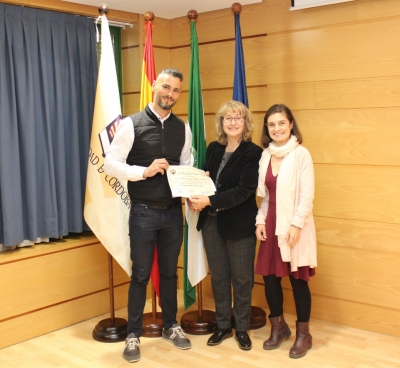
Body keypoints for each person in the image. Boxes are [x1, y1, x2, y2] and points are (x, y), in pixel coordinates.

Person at [104, 68, 192, 363]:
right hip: (142, 213)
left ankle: (171, 325)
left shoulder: (184, 128)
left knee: (169, 274)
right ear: (155, 85)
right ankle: (132, 336)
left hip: (172, 214)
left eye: (176, 90)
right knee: (140, 275)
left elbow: (186, 166)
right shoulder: (131, 125)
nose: (170, 94)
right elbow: (111, 165)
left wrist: (194, 182)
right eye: (166, 87)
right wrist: (145, 171)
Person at [189, 100, 262, 351]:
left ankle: (241, 328)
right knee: (219, 278)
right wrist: (196, 194)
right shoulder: (213, 149)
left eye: (237, 118)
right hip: (211, 223)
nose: (232, 122)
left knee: (242, 279)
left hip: (240, 225)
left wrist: (208, 199)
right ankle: (222, 326)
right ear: (221, 122)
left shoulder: (254, 153)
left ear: (245, 122)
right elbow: (208, 181)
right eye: (227, 118)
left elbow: (244, 191)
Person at [255, 103, 317, 359]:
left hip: (296, 227)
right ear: (267, 129)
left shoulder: (301, 154)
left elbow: (306, 196)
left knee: (298, 280)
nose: (277, 128)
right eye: (272, 124)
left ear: (291, 124)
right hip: (271, 225)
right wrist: (260, 220)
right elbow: (268, 197)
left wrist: (295, 225)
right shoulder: (266, 155)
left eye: (281, 123)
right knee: (270, 279)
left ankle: (304, 334)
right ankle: (279, 327)